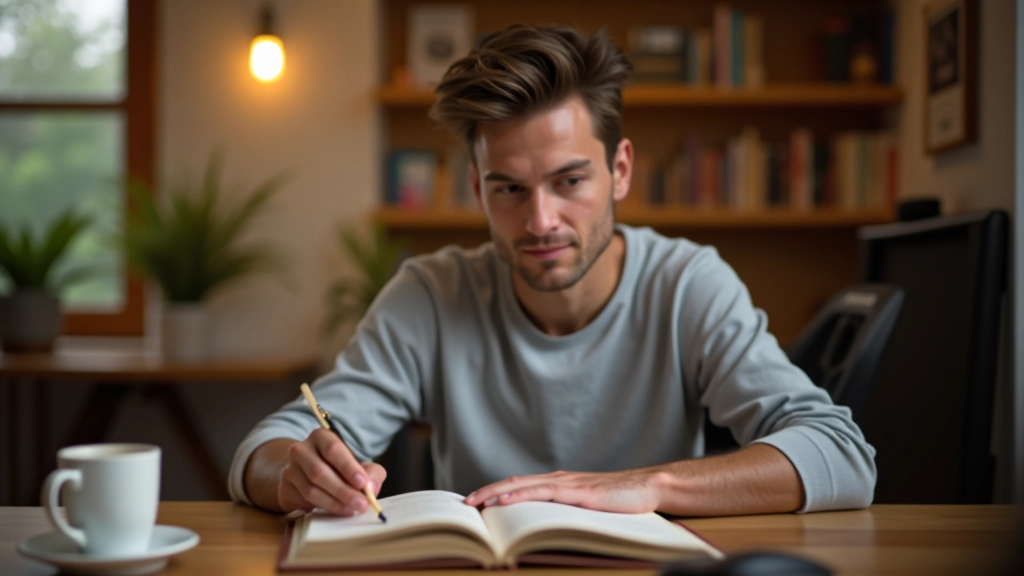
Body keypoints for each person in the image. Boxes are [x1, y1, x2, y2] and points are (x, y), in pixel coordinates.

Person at [229, 24, 876, 518]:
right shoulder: (431, 296)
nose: (540, 221)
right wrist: (294, 472)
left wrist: (645, 485)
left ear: (620, 169)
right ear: (478, 190)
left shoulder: (687, 285)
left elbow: (842, 455)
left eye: (569, 181)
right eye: (509, 188)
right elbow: (270, 444)